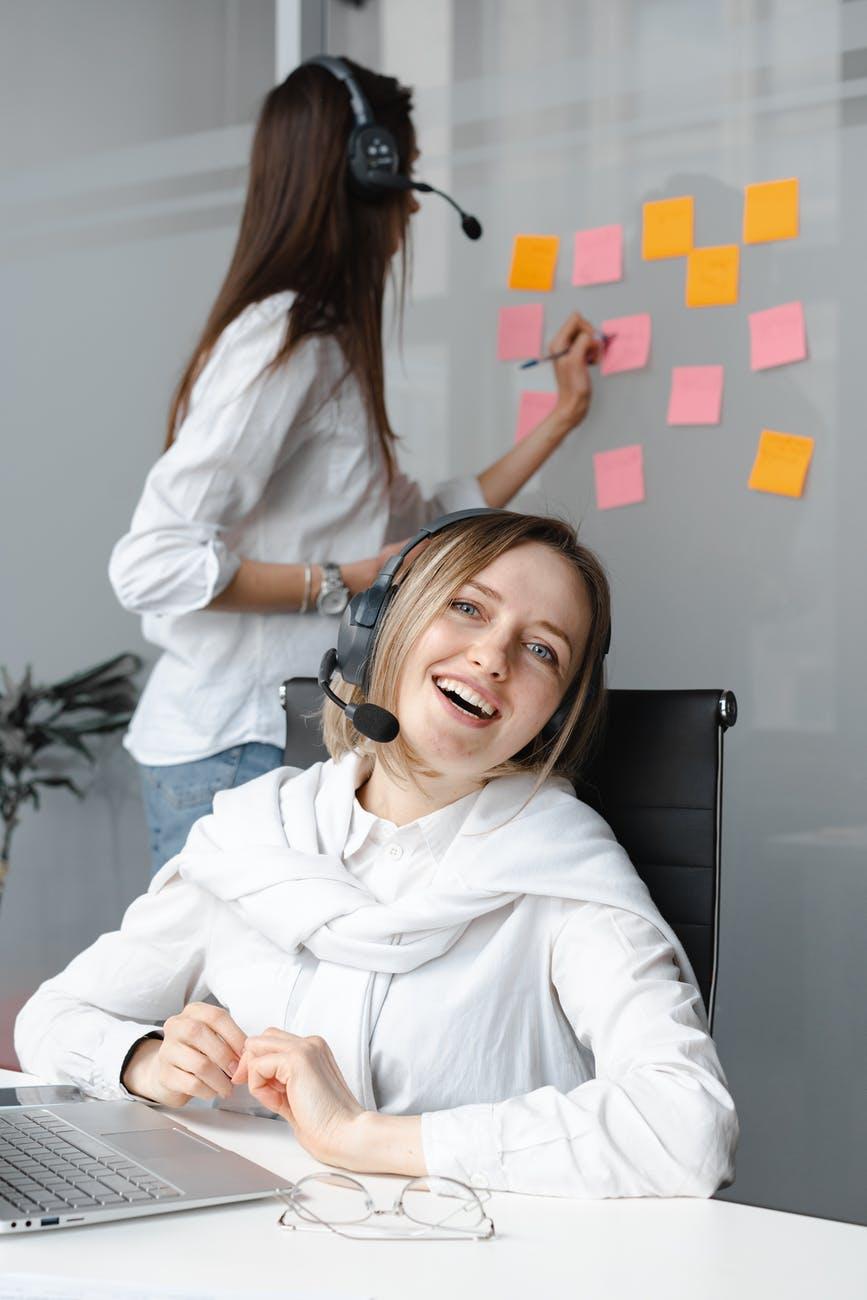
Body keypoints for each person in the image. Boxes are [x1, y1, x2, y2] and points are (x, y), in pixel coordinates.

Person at [18, 511, 738, 1200]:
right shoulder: (254, 835)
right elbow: (53, 1019)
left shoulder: (565, 876)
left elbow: (688, 1127)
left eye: (541, 649)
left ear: (553, 712)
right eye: (467, 608)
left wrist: (363, 1137)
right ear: (377, 626)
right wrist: (144, 1060)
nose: (492, 656)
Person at [108, 56, 602, 874]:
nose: (411, 201)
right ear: (365, 174)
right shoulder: (286, 340)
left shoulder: (329, 348)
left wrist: (562, 415)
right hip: (234, 744)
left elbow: (426, 521)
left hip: (277, 734)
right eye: (400, 172)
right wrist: (340, 577)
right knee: (221, 1002)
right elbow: (151, 565)